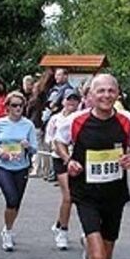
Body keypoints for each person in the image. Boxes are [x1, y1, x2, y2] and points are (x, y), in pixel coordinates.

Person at [54, 74, 130, 259]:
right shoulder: (76, 120)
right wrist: (68, 160)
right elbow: (58, 141)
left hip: (114, 194)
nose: (106, 95)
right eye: (101, 91)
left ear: (117, 94)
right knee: (97, 255)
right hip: (85, 193)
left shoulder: (126, 119)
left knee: (105, 254)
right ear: (90, 95)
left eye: (111, 91)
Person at [0, 91, 38, 252]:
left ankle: (8, 227)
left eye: (21, 105)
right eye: (14, 105)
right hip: (3, 166)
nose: (18, 108)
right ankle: (8, 233)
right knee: (11, 199)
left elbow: (35, 149)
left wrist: (27, 146)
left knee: (16, 202)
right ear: (7, 107)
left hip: (21, 166)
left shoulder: (28, 125)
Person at [46, 89, 81, 250]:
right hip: (61, 159)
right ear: (63, 102)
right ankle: (63, 231)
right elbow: (50, 139)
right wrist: (61, 148)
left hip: (78, 160)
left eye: (75, 100)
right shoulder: (55, 119)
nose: (72, 103)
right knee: (68, 195)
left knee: (76, 196)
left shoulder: (82, 118)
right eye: (69, 100)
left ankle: (59, 222)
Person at [27, 69, 55, 178]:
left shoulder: (34, 100)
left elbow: (28, 112)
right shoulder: (45, 98)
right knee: (45, 148)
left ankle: (37, 168)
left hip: (35, 123)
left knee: (37, 147)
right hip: (43, 123)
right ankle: (46, 169)